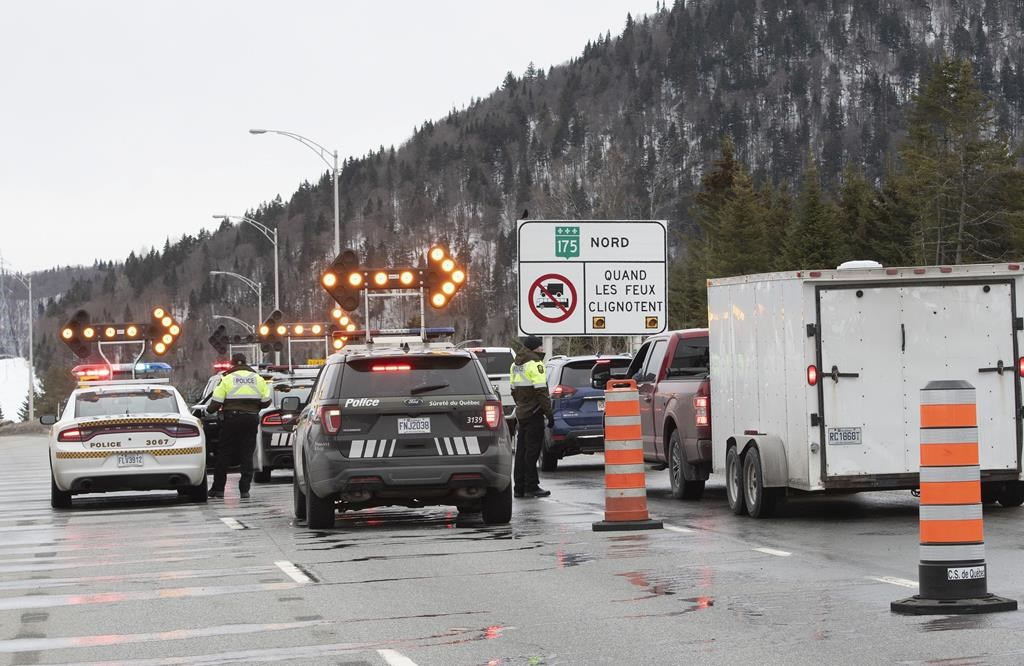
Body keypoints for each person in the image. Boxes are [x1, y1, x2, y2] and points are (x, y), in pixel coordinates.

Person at [206, 353, 270, 499]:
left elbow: (216, 402)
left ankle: (218, 489)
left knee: (224, 454)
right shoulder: (257, 379)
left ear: (232, 364)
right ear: (246, 363)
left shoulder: (227, 378)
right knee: (247, 454)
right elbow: (266, 401)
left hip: (231, 420)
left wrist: (208, 410)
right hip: (250, 419)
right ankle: (244, 490)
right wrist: (254, 406)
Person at [509, 335, 554, 498]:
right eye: (540, 347)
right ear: (535, 348)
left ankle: (519, 487)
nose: (542, 349)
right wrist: (549, 413)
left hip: (522, 413)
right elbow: (541, 392)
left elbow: (513, 390)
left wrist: (522, 405)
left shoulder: (515, 364)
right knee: (532, 452)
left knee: (521, 451)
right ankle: (531, 486)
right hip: (534, 413)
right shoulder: (535, 363)